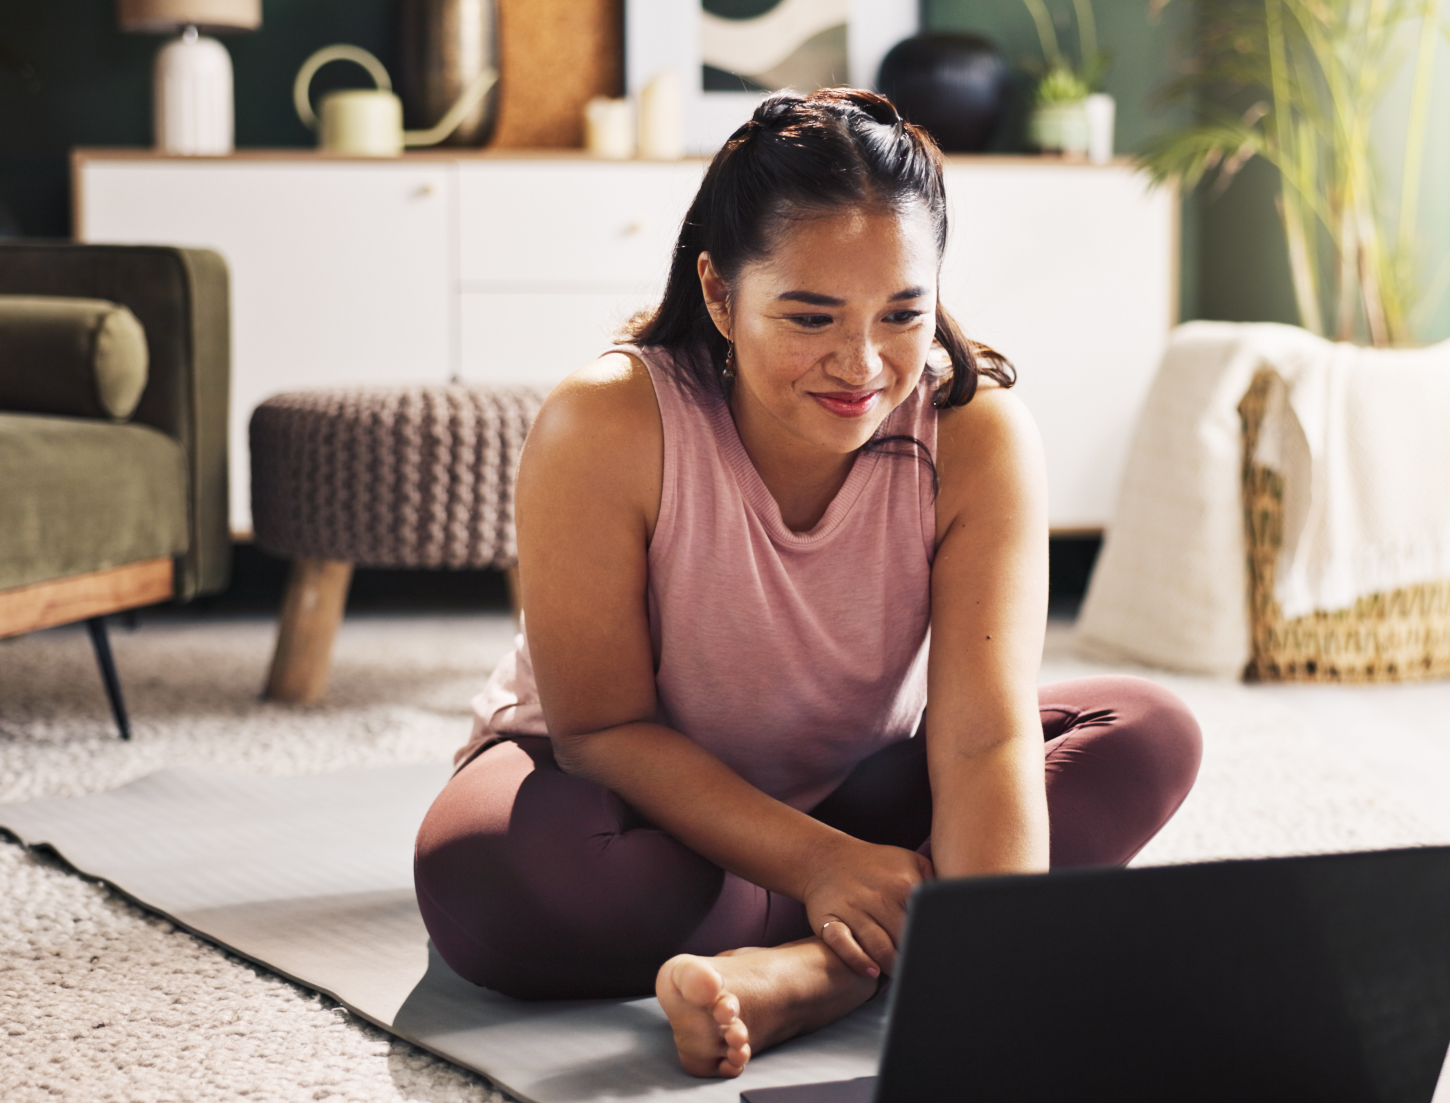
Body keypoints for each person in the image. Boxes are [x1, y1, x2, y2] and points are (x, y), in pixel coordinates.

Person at [412, 88, 1202, 1079]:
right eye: (809, 315)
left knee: (1147, 734)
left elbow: (980, 736)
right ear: (717, 293)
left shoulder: (978, 436)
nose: (861, 363)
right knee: (488, 877)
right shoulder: (604, 422)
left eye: (902, 313)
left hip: (854, 794)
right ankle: (880, 923)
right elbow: (599, 729)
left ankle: (818, 971)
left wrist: (990, 973)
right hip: (626, 796)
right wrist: (821, 867)